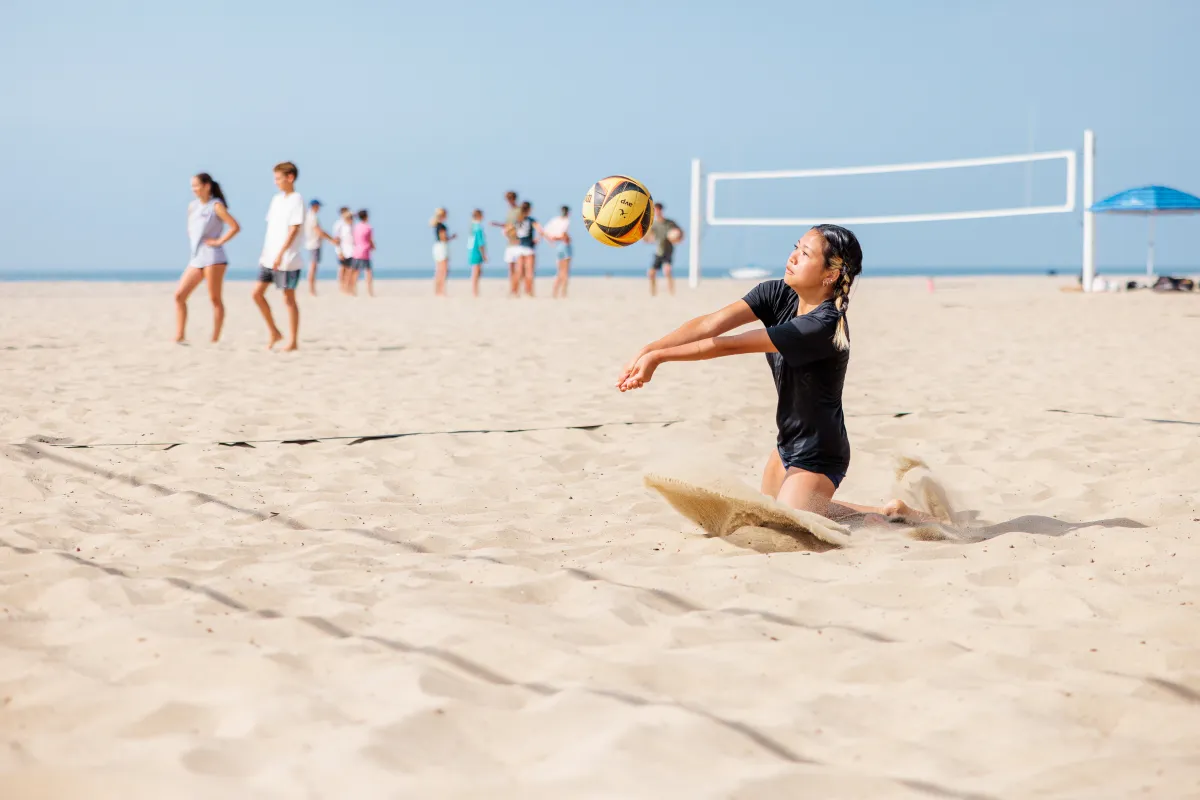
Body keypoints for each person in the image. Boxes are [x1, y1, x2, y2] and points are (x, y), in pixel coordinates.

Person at [617, 224, 925, 521]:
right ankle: (887, 512)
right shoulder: (776, 294)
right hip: (786, 443)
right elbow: (710, 324)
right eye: (795, 248)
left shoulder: (821, 325)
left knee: (786, 523)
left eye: (805, 254)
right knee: (776, 511)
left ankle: (885, 521)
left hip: (819, 452)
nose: (792, 257)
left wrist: (660, 358)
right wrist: (648, 349)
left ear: (830, 274)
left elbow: (729, 345)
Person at [175, 172, 240, 343]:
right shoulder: (192, 206)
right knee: (179, 295)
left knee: (214, 298)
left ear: (207, 186)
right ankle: (180, 335)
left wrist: (219, 241)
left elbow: (234, 227)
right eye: (192, 186)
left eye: (197, 186)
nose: (194, 189)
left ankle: (215, 338)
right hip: (196, 258)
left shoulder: (216, 206)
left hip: (214, 258)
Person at [253, 161, 304, 351]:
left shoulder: (297, 199)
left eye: (278, 178)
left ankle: (293, 341)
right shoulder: (276, 200)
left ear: (290, 178)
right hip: (268, 256)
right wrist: (267, 252)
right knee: (257, 294)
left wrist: (281, 253)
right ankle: (274, 331)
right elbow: (271, 229)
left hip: (288, 258)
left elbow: (294, 229)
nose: (276, 182)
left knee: (288, 299)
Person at [643, 203, 680, 296]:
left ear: (661, 210)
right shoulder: (653, 224)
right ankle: (653, 292)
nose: (657, 212)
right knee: (651, 273)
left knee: (667, 271)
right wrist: (648, 239)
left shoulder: (670, 223)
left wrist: (677, 237)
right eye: (655, 210)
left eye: (658, 209)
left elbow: (680, 233)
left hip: (668, 252)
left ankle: (672, 292)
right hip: (659, 252)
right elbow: (647, 238)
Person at [490, 191, 521, 296]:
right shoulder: (510, 211)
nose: (508, 201)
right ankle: (512, 289)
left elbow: (517, 225)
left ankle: (516, 289)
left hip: (517, 242)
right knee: (511, 268)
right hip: (509, 242)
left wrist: (509, 228)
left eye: (510, 199)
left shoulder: (519, 211)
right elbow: (508, 225)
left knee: (518, 268)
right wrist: (498, 224)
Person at [302, 199, 335, 296]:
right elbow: (319, 231)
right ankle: (311, 289)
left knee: (313, 267)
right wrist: (331, 239)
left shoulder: (309, 216)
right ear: (315, 206)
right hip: (314, 244)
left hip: (311, 243)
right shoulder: (312, 217)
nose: (319, 208)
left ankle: (312, 289)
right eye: (318, 206)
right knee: (313, 267)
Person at [513, 201, 544, 297]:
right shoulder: (531, 220)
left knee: (519, 271)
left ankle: (515, 291)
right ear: (529, 209)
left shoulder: (518, 220)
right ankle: (529, 291)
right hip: (529, 248)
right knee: (529, 271)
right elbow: (541, 231)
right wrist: (538, 239)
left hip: (519, 248)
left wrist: (515, 239)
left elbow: (509, 231)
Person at [542, 205, 572, 299]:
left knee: (559, 271)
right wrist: (565, 238)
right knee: (565, 271)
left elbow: (544, 231)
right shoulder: (566, 221)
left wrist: (551, 240)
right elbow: (564, 234)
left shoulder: (554, 220)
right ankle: (563, 292)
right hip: (564, 245)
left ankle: (555, 291)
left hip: (558, 246)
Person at [431, 207, 457, 296]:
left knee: (438, 270)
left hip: (437, 247)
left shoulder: (436, 225)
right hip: (442, 248)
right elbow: (443, 238)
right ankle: (441, 290)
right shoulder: (441, 226)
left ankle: (438, 290)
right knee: (443, 270)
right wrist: (452, 237)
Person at [331, 206, 356, 294]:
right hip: (343, 250)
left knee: (350, 270)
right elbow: (336, 240)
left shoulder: (352, 224)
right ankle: (342, 287)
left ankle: (348, 287)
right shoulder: (339, 225)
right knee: (342, 270)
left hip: (352, 250)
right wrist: (339, 251)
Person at [352, 209, 376, 297]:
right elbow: (370, 240)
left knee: (356, 272)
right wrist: (373, 246)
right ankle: (370, 292)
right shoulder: (368, 227)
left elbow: (354, 239)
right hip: (365, 252)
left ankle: (354, 290)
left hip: (356, 252)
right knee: (368, 273)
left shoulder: (356, 227)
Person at [467, 209, 487, 297]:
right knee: (476, 272)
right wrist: (484, 255)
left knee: (475, 272)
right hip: (476, 252)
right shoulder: (478, 228)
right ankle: (475, 292)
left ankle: (474, 291)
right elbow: (480, 243)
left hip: (471, 251)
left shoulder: (472, 226)